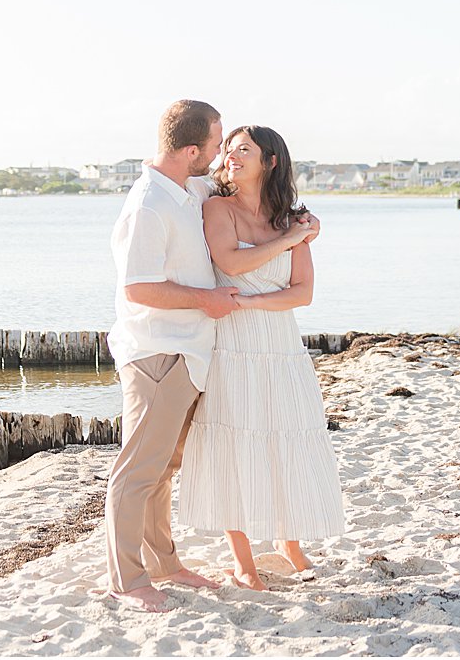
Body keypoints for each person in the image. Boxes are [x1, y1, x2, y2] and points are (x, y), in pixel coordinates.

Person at [177, 124, 346, 590]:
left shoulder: (293, 217)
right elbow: (231, 263)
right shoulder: (218, 208)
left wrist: (253, 300)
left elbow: (303, 294)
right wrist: (289, 241)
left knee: (285, 437)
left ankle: (289, 542)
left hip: (280, 345)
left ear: (270, 160)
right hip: (230, 346)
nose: (232, 156)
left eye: (243, 149)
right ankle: (242, 559)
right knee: (234, 443)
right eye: (228, 149)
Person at [103, 99, 239, 613]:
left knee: (162, 468)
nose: (220, 152)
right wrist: (205, 299)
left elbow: (228, 186)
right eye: (215, 143)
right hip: (157, 353)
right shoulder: (148, 206)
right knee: (137, 470)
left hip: (189, 352)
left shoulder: (186, 188)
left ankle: (163, 563)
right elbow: (139, 287)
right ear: (188, 150)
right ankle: (127, 579)